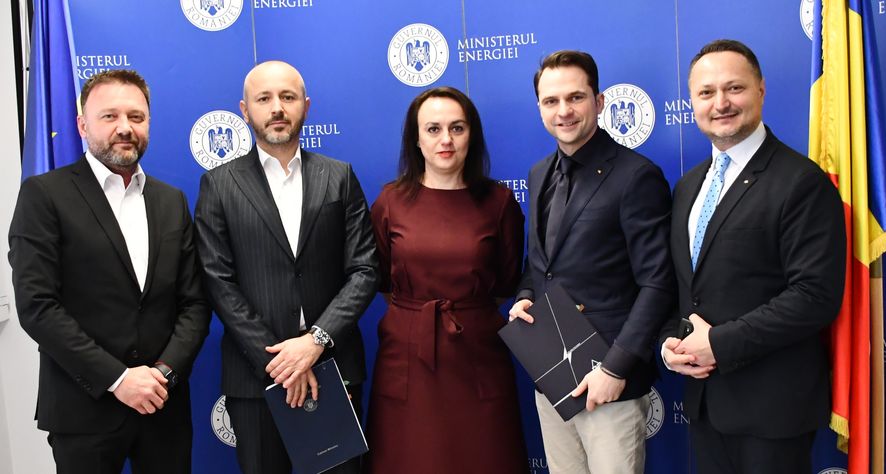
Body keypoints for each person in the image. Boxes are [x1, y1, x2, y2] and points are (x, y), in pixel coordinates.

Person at [8, 69, 210, 474]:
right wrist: (119, 379)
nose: (125, 128)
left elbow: (195, 303)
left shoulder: (171, 201)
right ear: (83, 125)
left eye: (136, 117)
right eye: (109, 116)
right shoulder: (44, 195)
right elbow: (38, 306)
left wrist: (162, 374)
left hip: (163, 407)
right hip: (84, 411)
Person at [661, 39, 846, 474]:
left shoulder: (801, 181)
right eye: (706, 92)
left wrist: (719, 345)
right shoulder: (688, 187)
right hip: (706, 406)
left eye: (734, 88)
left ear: (761, 90)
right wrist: (669, 343)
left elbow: (814, 296)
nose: (720, 103)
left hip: (772, 413)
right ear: (692, 102)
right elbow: (686, 287)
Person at [194, 60, 378, 474]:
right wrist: (281, 364)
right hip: (255, 379)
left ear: (305, 106)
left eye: (288, 97)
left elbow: (365, 270)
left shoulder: (340, 176)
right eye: (264, 98)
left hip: (334, 369)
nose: (277, 107)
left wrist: (314, 343)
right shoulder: (218, 185)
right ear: (245, 111)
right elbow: (217, 281)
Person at [508, 50, 675, 473]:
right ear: (539, 108)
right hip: (552, 374)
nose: (563, 111)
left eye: (575, 97)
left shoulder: (636, 176)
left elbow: (658, 282)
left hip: (610, 383)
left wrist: (615, 368)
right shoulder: (539, 173)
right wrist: (525, 294)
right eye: (551, 101)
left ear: (599, 102)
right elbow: (541, 261)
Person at [365, 87, 528, 473]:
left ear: (472, 135)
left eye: (457, 128)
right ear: (416, 138)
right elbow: (380, 279)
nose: (446, 140)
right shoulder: (389, 202)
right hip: (407, 355)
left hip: (479, 355)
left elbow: (507, 281)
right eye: (433, 129)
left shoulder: (499, 202)